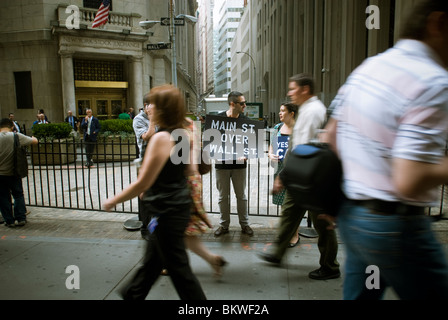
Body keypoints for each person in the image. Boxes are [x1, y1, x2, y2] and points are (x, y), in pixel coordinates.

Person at [323, 0, 448, 299]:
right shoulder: (433, 81)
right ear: (438, 23)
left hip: (354, 218)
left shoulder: (370, 66)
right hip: (397, 229)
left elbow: (330, 138)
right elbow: (409, 179)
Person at [103, 85, 206, 300]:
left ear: (163, 108)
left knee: (180, 271)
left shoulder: (161, 138)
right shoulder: (181, 135)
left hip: (165, 210)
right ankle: (133, 294)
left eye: (152, 104)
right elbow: (190, 170)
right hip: (175, 207)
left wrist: (113, 200)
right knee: (152, 263)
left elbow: (142, 183)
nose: (148, 107)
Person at [259, 74, 340, 281]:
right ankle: (277, 253)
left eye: (293, 89)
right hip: (301, 176)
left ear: (305, 89)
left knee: (321, 224)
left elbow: (304, 147)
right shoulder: (307, 110)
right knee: (289, 213)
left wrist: (284, 175)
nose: (289, 93)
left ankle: (330, 266)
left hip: (311, 179)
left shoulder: (313, 111)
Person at [213, 91, 254, 237]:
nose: (245, 105)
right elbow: (210, 142)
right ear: (232, 104)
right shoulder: (217, 119)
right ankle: (224, 226)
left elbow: (251, 143)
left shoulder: (245, 120)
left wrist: (248, 154)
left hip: (239, 166)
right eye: (242, 103)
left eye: (244, 103)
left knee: (241, 196)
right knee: (223, 196)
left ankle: (245, 224)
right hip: (222, 165)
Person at [268, 102, 300, 247]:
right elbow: (271, 146)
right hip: (280, 171)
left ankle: (295, 234)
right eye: (280, 111)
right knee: (284, 205)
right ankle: (288, 232)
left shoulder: (299, 129)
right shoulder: (277, 128)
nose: (280, 113)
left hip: (295, 171)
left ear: (291, 113)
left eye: (283, 111)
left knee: (294, 204)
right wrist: (270, 155)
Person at [0, 118, 38, 227]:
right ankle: (20, 217)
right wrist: (33, 137)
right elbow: (34, 141)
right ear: (12, 126)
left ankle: (9, 220)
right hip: (13, 172)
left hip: (0, 174)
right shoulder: (16, 136)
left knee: (3, 197)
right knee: (18, 195)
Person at [132, 95, 156, 240]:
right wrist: (152, 119)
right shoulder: (138, 119)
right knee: (145, 195)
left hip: (157, 162)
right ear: (146, 106)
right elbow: (147, 137)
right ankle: (145, 228)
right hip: (145, 163)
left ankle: (155, 226)